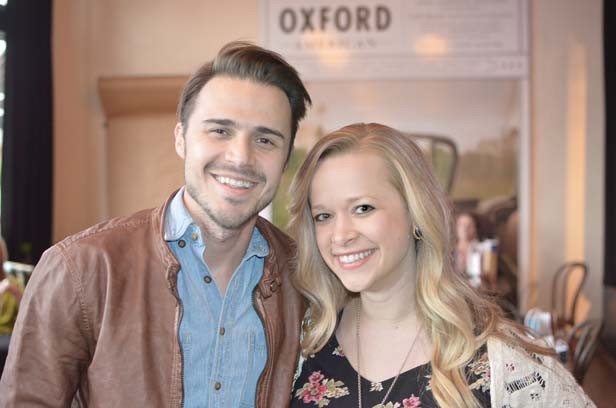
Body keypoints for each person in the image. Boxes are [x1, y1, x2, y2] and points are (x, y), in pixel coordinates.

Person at [0, 41, 311, 407]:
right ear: (181, 138)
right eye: (220, 131)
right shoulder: (82, 268)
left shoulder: (306, 281)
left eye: (265, 139)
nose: (241, 157)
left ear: (286, 159)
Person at [288, 123, 594, 407]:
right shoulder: (301, 345)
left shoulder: (502, 361)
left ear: (415, 213)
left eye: (363, 208)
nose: (340, 235)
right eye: (323, 216)